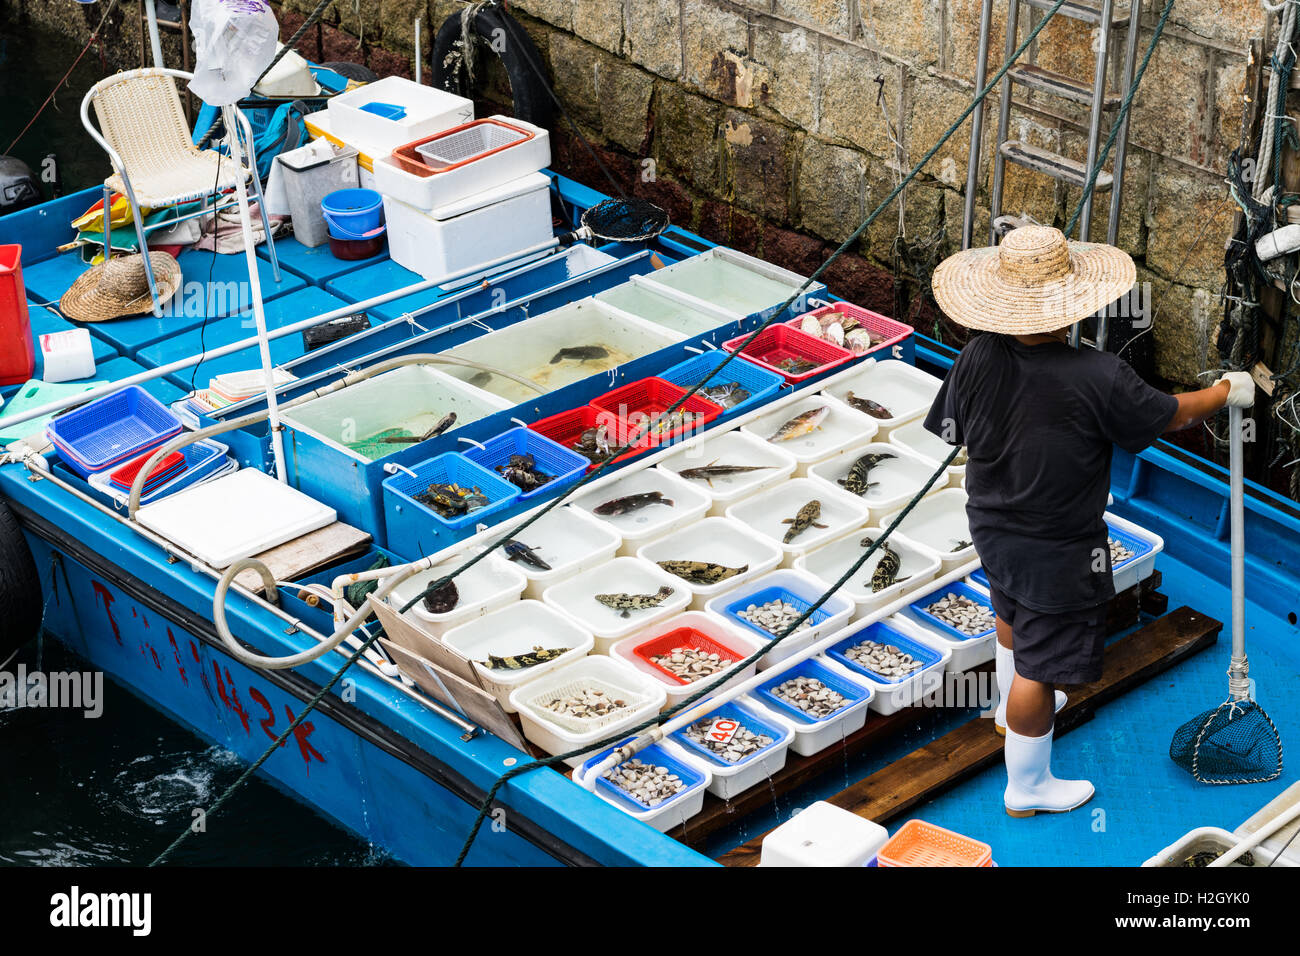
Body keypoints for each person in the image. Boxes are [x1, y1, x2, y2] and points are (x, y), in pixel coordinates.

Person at [923, 224, 1254, 817]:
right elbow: (1169, 415)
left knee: (1010, 612)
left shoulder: (976, 353)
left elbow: (951, 429)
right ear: (1071, 303)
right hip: (1059, 546)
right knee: (1041, 667)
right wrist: (1227, 391)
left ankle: (1007, 717)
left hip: (992, 525)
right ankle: (1027, 786)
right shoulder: (1098, 375)